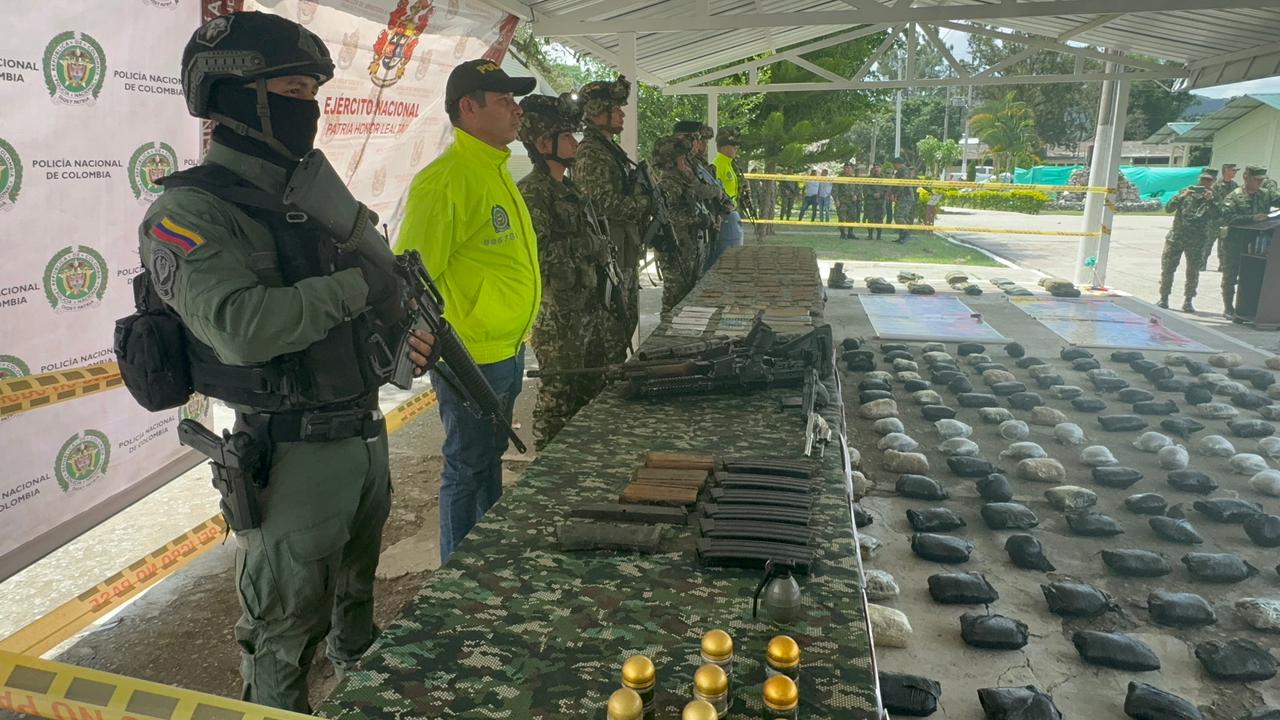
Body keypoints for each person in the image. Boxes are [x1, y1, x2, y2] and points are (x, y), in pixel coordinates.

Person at [143, 12, 435, 710]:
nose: (308, 108)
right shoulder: (189, 211)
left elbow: (379, 302)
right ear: (232, 94)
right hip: (292, 458)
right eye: (292, 89)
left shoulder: (313, 196)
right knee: (282, 639)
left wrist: (405, 339)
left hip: (364, 436)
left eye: (312, 92)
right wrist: (361, 284)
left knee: (357, 611)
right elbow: (244, 328)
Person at [396, 58, 538, 562]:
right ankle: (457, 573)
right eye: (504, 102)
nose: (516, 111)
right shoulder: (446, 181)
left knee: (488, 460)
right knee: (467, 465)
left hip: (506, 348)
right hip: (470, 354)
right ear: (468, 109)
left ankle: (488, 556)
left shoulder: (496, 170)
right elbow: (410, 279)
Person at [515, 94, 610, 451]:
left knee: (589, 391)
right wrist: (588, 247)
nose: (576, 143)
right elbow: (536, 254)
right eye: (567, 137)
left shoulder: (570, 189)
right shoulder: (532, 193)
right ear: (543, 144)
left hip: (586, 308)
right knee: (558, 397)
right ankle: (549, 470)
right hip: (557, 316)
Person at [573, 75, 650, 362]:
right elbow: (601, 203)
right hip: (609, 252)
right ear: (597, 113)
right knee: (611, 333)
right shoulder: (591, 152)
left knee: (624, 324)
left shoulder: (609, 150)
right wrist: (641, 203)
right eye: (615, 109)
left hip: (622, 249)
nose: (622, 113)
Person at [652, 135, 708, 313]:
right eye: (681, 159)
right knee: (674, 299)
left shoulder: (682, 182)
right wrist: (697, 220)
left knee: (687, 295)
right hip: (675, 251)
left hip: (687, 248)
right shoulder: (668, 184)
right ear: (670, 162)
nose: (685, 163)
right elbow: (668, 216)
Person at [1219, 166, 1280, 319]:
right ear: (1246, 177)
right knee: (1231, 275)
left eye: (1262, 180)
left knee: (1254, 275)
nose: (1260, 183)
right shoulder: (1234, 196)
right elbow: (1227, 218)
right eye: (1257, 180)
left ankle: (1251, 307)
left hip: (1257, 243)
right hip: (1235, 242)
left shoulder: (1265, 194)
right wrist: (1252, 218)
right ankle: (1228, 308)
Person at [1157, 171, 1217, 313]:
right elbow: (1168, 208)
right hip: (1176, 238)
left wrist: (1211, 201)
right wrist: (1182, 196)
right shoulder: (1185, 192)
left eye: (1208, 181)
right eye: (1203, 180)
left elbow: (1218, 215)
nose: (1204, 183)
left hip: (1197, 241)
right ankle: (1164, 297)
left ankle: (1188, 300)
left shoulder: (1214, 197)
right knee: (1168, 268)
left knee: (1193, 271)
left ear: (1213, 181)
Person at [708, 126, 746, 271]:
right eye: (733, 146)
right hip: (724, 216)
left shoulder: (729, 164)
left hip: (732, 213)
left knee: (733, 255)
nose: (736, 149)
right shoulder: (718, 165)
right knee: (727, 255)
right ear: (724, 147)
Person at [1203, 162, 1239, 270]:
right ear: (1226, 171)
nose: (1235, 173)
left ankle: (1222, 265)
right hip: (1215, 219)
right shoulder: (1216, 186)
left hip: (1227, 220)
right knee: (1208, 242)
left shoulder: (1235, 186)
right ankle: (1201, 263)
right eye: (1233, 170)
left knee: (1224, 244)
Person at [890, 156, 917, 243]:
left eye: (895, 164)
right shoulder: (899, 171)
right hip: (903, 197)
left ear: (898, 164)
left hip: (906, 196)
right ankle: (902, 237)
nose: (894, 166)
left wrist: (896, 195)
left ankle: (906, 234)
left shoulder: (904, 171)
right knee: (901, 216)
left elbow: (902, 184)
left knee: (899, 216)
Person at [833, 162, 861, 239]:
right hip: (842, 201)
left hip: (852, 202)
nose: (848, 169)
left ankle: (850, 233)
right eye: (846, 168)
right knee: (842, 217)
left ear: (852, 169)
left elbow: (858, 188)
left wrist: (856, 195)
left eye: (850, 168)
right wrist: (836, 200)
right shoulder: (839, 178)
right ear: (844, 169)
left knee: (852, 217)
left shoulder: (855, 178)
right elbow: (835, 190)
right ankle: (842, 233)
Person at [863, 164, 888, 241]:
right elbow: (865, 189)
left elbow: (887, 189)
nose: (876, 169)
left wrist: (880, 194)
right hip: (871, 202)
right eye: (875, 168)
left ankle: (879, 236)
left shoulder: (884, 179)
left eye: (878, 167)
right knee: (870, 218)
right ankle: (870, 235)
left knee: (879, 218)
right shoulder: (869, 179)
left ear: (881, 169)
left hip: (880, 202)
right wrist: (873, 194)